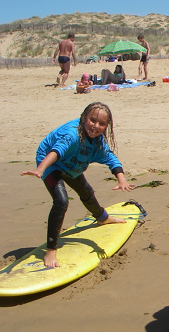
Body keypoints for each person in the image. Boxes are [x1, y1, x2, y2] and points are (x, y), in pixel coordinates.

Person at [20, 102, 134, 268]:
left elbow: (111, 159)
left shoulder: (97, 143)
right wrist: (40, 169)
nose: (95, 126)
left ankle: (103, 218)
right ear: (83, 118)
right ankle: (51, 250)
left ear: (106, 126)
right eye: (92, 120)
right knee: (61, 201)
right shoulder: (72, 134)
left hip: (72, 163)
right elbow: (56, 151)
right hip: (50, 162)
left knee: (86, 192)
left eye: (101, 124)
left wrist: (121, 179)